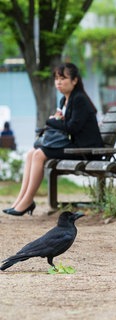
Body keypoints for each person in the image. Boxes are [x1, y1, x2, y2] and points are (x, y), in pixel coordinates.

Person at [2, 62, 103, 216]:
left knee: (39, 154)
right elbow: (65, 125)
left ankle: (27, 201)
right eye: (56, 79)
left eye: (63, 78)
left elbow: (72, 127)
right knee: (31, 153)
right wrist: (57, 120)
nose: (58, 82)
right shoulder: (64, 101)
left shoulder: (79, 99)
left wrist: (51, 121)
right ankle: (20, 200)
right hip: (73, 146)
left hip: (86, 149)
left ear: (75, 80)